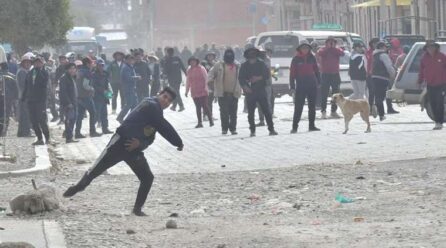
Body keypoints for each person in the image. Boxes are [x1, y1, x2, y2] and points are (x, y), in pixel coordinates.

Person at [63, 87, 184, 216]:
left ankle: (137, 209)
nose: (166, 101)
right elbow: (164, 127)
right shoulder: (150, 104)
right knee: (95, 170)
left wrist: (139, 143)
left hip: (134, 150)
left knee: (147, 178)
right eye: (164, 97)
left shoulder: (157, 115)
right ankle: (78, 187)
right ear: (159, 94)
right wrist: (178, 142)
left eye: (169, 101)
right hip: (119, 144)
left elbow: (150, 138)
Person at [239, 47, 278, 137]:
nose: (252, 56)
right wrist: (245, 87)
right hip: (250, 91)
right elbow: (241, 78)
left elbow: (267, 75)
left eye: (253, 54)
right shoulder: (244, 65)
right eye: (250, 54)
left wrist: (258, 78)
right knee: (251, 113)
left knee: (266, 110)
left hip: (261, 89)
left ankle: (271, 129)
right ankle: (252, 130)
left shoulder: (261, 64)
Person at [289, 41, 321, 133]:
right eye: (303, 48)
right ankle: (294, 127)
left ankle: (312, 126)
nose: (305, 50)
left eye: (307, 48)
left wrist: (319, 81)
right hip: (301, 85)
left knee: (312, 106)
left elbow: (316, 70)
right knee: (298, 107)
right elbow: (292, 73)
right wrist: (292, 85)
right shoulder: (296, 59)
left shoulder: (312, 57)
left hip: (312, 84)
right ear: (300, 49)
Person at [208, 49, 241, 135]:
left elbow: (242, 77)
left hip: (234, 92)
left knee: (233, 113)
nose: (229, 56)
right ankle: (224, 129)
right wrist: (211, 85)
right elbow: (210, 75)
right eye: (227, 54)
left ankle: (233, 129)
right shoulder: (219, 65)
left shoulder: (237, 65)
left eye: (231, 54)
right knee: (224, 112)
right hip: (223, 93)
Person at [21, 56, 50, 145]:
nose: (37, 64)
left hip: (40, 100)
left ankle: (47, 138)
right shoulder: (30, 73)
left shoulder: (44, 73)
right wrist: (23, 97)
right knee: (33, 120)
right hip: (31, 100)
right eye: (36, 62)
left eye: (39, 62)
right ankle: (39, 138)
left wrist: (40, 71)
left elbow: (45, 84)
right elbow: (26, 86)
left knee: (42, 120)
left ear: (42, 63)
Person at [418, 40, 446, 130]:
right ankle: (436, 121)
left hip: (441, 83)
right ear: (426, 48)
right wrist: (420, 80)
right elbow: (421, 71)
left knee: (439, 102)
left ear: (436, 47)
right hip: (430, 84)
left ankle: (440, 122)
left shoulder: (442, 56)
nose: (431, 48)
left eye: (433, 46)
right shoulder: (424, 58)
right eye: (429, 47)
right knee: (432, 103)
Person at [317, 36, 344, 119]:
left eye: (333, 42)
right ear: (326, 43)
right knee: (324, 93)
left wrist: (333, 48)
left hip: (335, 74)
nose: (331, 43)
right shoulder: (322, 49)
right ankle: (323, 111)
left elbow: (342, 53)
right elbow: (320, 53)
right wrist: (328, 48)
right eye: (329, 42)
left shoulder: (337, 50)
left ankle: (333, 111)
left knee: (336, 94)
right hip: (325, 74)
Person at [75, 57, 101, 138]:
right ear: (87, 64)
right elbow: (85, 85)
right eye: (91, 63)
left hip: (78, 96)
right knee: (93, 113)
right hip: (86, 96)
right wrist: (92, 88)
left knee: (80, 115)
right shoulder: (87, 72)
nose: (93, 65)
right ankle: (92, 131)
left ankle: (77, 132)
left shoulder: (79, 71)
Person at [371, 41, 396, 121]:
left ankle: (377, 109)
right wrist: (393, 75)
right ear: (382, 47)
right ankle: (380, 113)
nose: (386, 48)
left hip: (374, 77)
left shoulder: (374, 55)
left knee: (377, 95)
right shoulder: (384, 55)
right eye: (385, 47)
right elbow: (389, 66)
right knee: (381, 97)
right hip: (383, 77)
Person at [185, 57, 213, 128]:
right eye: (191, 62)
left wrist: (207, 88)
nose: (192, 63)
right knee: (198, 107)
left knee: (205, 105)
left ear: (196, 61)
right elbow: (188, 81)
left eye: (194, 61)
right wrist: (186, 90)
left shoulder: (201, 68)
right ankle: (200, 123)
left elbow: (206, 78)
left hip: (203, 90)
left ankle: (210, 120)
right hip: (194, 90)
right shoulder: (189, 70)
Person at [92, 59, 113, 135]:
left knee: (104, 114)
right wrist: (102, 90)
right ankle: (92, 130)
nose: (101, 67)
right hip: (97, 97)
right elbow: (94, 86)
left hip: (104, 97)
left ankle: (105, 128)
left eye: (102, 65)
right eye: (99, 65)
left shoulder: (105, 74)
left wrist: (109, 92)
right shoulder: (94, 75)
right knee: (96, 114)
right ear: (96, 66)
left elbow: (107, 84)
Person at [59, 63, 79, 143]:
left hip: (74, 102)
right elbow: (63, 92)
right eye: (71, 68)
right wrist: (68, 103)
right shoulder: (64, 78)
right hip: (68, 104)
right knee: (69, 120)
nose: (73, 70)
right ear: (67, 69)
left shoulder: (72, 77)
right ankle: (69, 137)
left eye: (74, 68)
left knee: (73, 119)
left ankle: (68, 135)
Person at [117, 54, 139, 123]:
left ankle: (131, 119)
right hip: (128, 88)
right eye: (129, 59)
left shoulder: (130, 67)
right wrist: (136, 77)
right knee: (129, 103)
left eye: (132, 59)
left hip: (132, 88)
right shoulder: (126, 68)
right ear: (125, 60)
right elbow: (128, 78)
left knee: (135, 104)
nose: (131, 60)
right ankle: (120, 117)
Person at [164, 47, 186, 111]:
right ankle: (174, 106)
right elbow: (183, 67)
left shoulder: (167, 60)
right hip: (178, 78)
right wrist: (187, 74)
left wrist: (164, 76)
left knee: (175, 92)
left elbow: (166, 70)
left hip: (172, 79)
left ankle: (181, 105)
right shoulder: (177, 58)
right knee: (175, 92)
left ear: (167, 53)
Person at [256, 47, 274, 127]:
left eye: (263, 52)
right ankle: (261, 120)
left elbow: (266, 70)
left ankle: (268, 120)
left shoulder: (267, 60)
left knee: (267, 102)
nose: (262, 54)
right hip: (258, 84)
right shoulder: (255, 60)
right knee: (259, 103)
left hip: (266, 84)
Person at [0, 62, 19, 136]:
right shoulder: (12, 76)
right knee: (6, 114)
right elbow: (16, 89)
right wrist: (16, 98)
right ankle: (4, 130)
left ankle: (1, 130)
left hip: (1, 97)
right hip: (9, 99)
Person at [16, 55, 33, 137]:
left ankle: (21, 132)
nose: (28, 64)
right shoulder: (22, 72)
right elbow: (24, 86)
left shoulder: (25, 71)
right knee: (26, 115)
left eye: (29, 62)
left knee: (24, 115)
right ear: (22, 63)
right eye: (26, 62)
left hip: (24, 96)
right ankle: (26, 132)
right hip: (24, 97)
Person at [201, 52, 218, 120]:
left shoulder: (215, 63)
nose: (210, 57)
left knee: (210, 100)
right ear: (207, 56)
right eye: (209, 56)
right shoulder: (204, 63)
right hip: (206, 83)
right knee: (208, 100)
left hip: (213, 83)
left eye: (212, 56)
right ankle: (206, 115)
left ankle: (209, 114)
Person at [366, 38, 380, 116]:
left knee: (377, 92)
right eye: (375, 43)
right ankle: (370, 108)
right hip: (370, 74)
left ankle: (377, 108)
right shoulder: (368, 52)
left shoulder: (379, 52)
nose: (376, 45)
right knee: (371, 92)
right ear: (372, 44)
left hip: (378, 74)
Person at [55, 55, 69, 124]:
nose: (62, 61)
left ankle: (69, 118)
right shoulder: (59, 69)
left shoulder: (70, 67)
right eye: (61, 60)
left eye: (63, 59)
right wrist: (55, 87)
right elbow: (56, 79)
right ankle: (61, 119)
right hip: (61, 89)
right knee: (62, 105)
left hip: (70, 89)